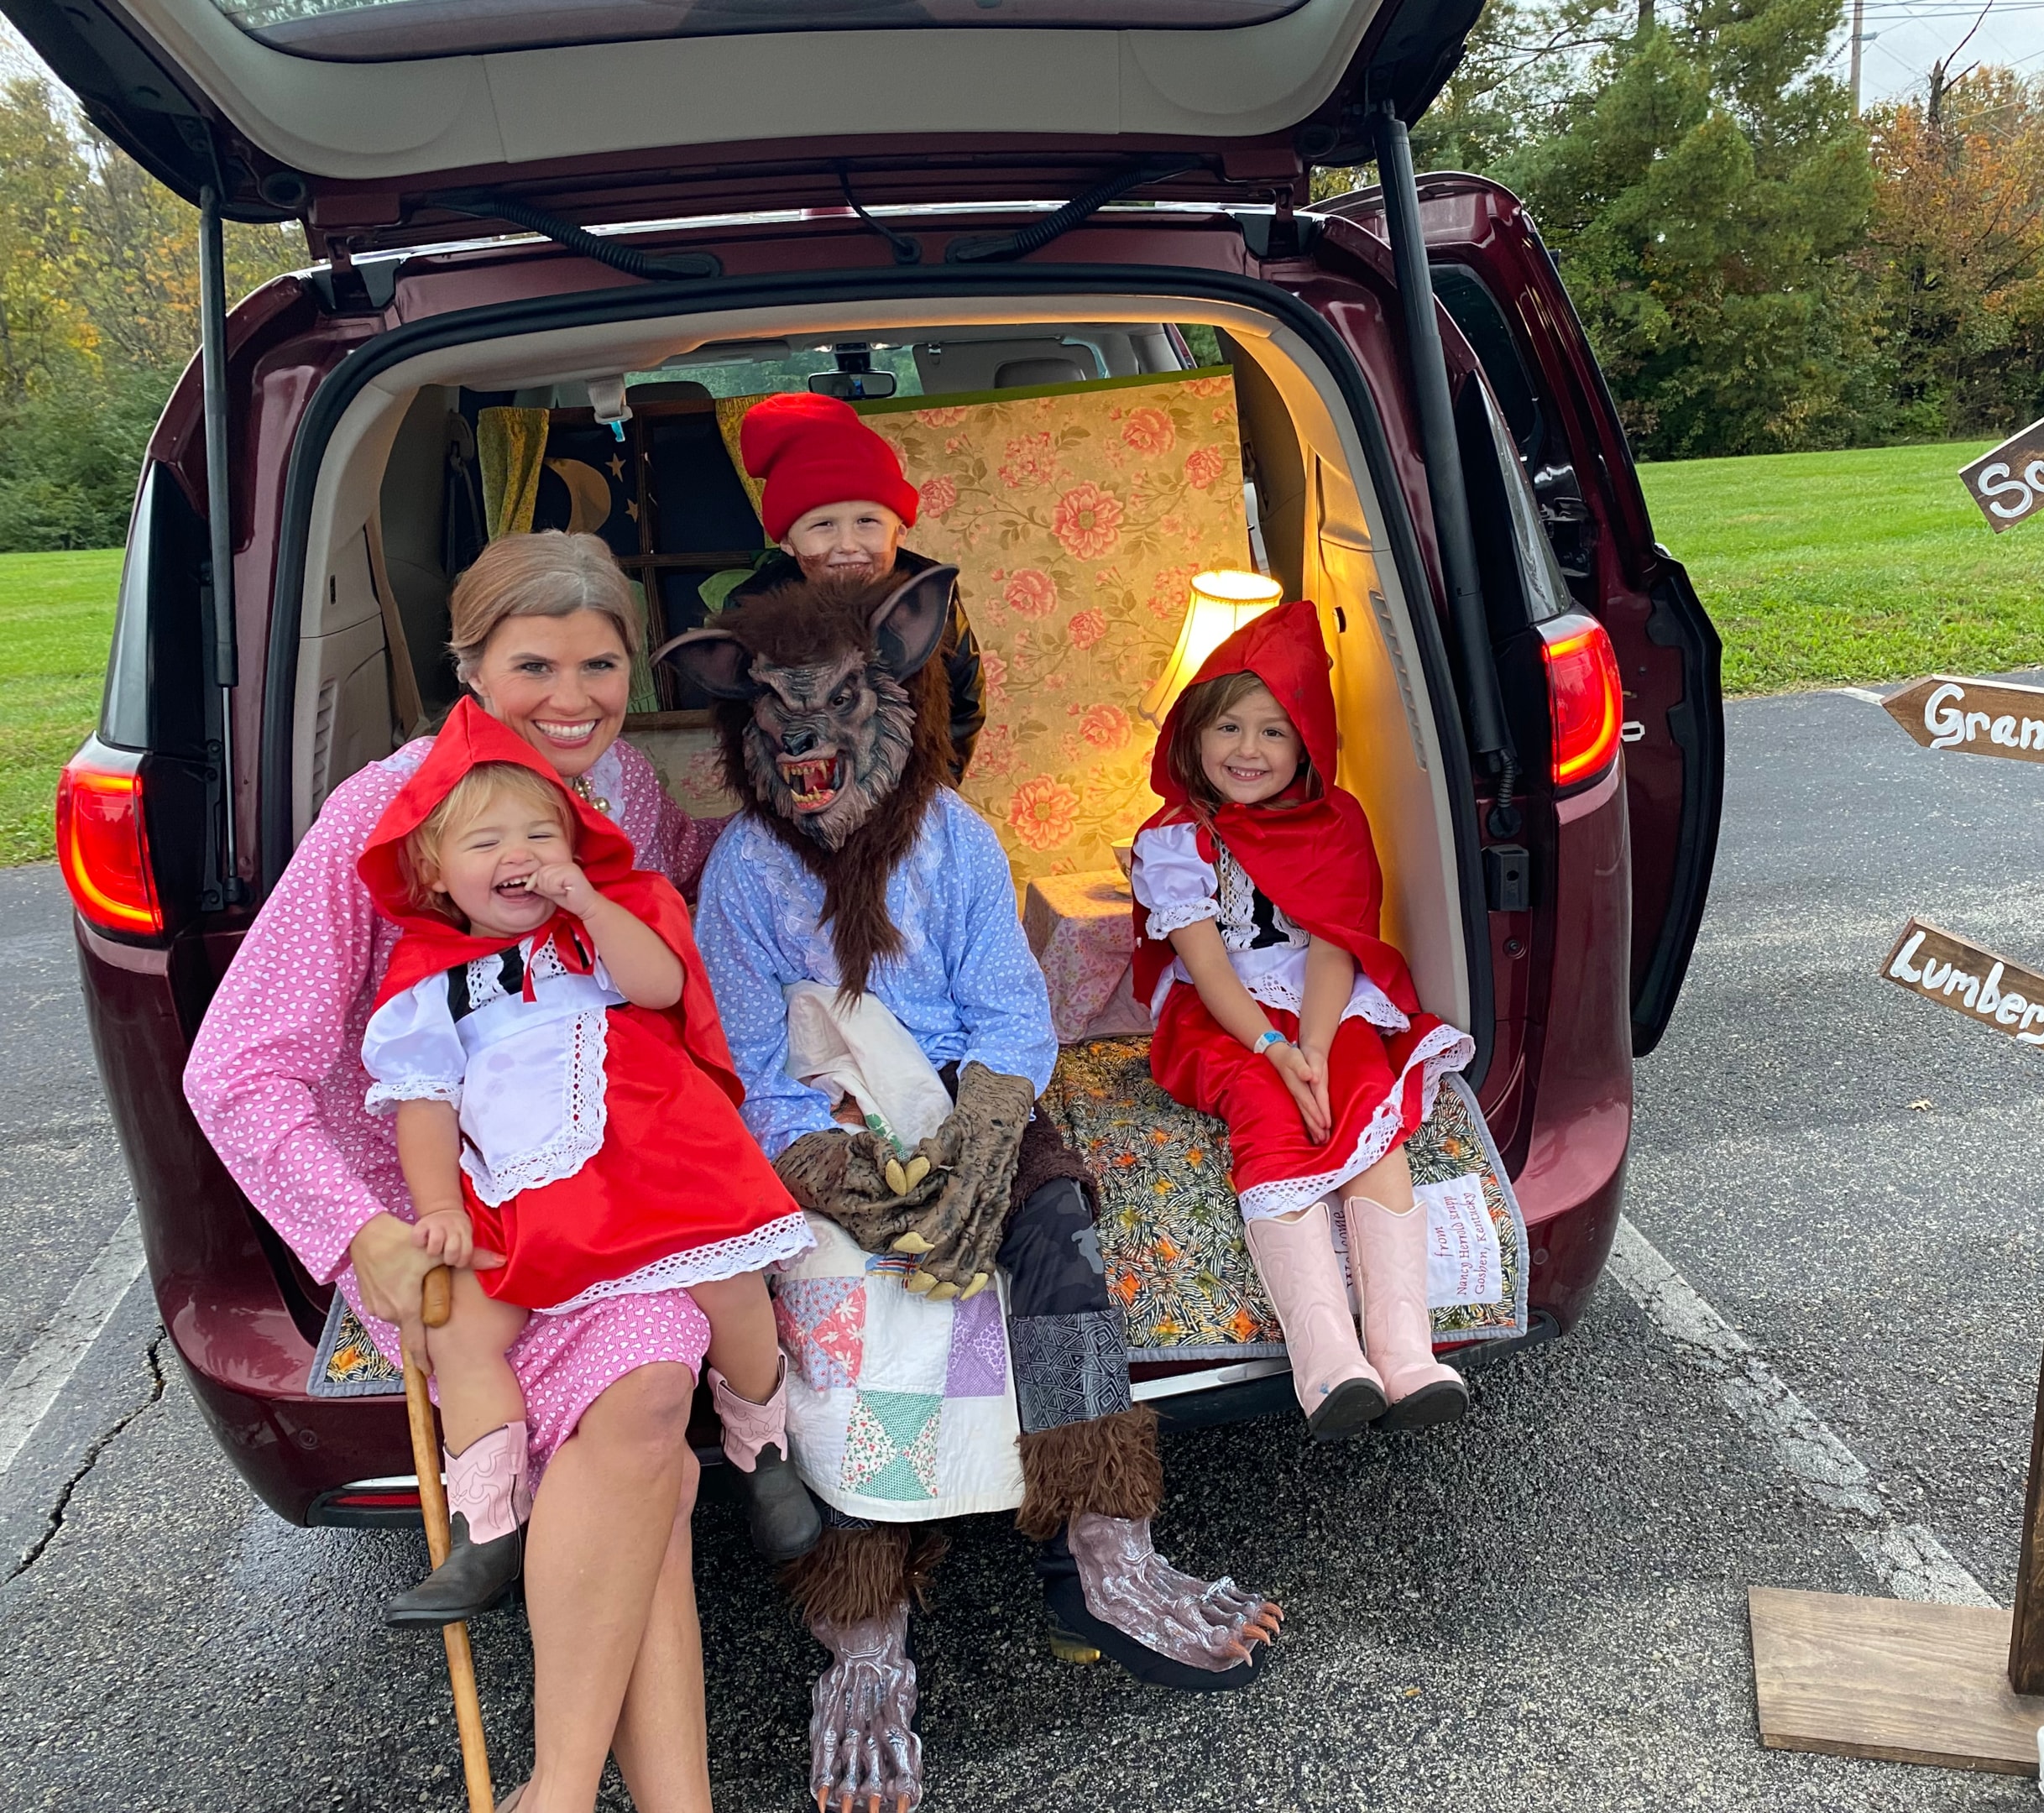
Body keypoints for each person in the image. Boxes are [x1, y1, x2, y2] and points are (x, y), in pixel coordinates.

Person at [663, 562, 1281, 1813]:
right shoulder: (739, 875)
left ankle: (1110, 1547)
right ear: (741, 717)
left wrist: (988, 1142)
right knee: (841, 1308)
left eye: (838, 702)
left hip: (970, 1087)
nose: (808, 740)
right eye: (779, 711)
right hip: (829, 1111)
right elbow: (746, 1058)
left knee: (1057, 1233)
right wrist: (842, 1177)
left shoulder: (954, 837)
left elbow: (1009, 1010)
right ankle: (865, 1635)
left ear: (898, 689)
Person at [184, 531, 727, 1813]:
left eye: (602, 664)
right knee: (653, 1457)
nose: (574, 697)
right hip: (433, 1215)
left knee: (650, 1420)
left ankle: (567, 1791)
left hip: (606, 1194)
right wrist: (351, 1231)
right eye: (535, 664)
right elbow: (237, 1067)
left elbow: (685, 900)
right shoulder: (385, 809)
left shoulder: (627, 797)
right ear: (469, 668)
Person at [360, 701, 824, 1627]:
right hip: (525, 1191)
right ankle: (488, 1523)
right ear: (435, 872)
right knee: (462, 1330)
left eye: (541, 832)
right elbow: (425, 1105)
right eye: (485, 841)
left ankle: (763, 1454)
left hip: (655, 1167)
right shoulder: (429, 982)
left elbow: (661, 987)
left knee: (734, 1286)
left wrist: (587, 900)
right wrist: (436, 1205)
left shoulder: (597, 930)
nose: (519, 855)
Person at [1129, 599, 1477, 1438]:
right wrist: (1278, 1050)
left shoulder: (1336, 823)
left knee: (1366, 1102)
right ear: (1193, 736)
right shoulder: (1177, 837)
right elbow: (1208, 965)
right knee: (1264, 1106)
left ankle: (1404, 1351)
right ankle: (1328, 1363)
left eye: (1275, 732)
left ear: (1309, 743)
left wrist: (1316, 1046)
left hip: (1319, 1004)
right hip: (1226, 1015)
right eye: (1230, 729)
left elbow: (1334, 948)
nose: (1249, 751)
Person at [725, 390, 986, 775]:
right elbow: (744, 721)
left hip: (911, 782)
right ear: (787, 541)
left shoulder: (925, 593)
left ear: (899, 529)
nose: (848, 546)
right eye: (823, 525)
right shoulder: (755, 605)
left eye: (867, 522)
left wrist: (938, 782)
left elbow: (964, 696)